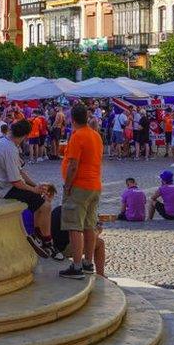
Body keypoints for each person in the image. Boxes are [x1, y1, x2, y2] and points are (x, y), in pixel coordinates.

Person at [0, 119, 58, 258]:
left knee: (40, 201)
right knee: (45, 205)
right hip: (6, 191)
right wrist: (34, 190)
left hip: (4, 187)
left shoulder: (4, 142)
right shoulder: (10, 149)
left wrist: (34, 185)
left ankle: (38, 235)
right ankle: (46, 240)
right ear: (24, 136)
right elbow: (16, 182)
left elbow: (20, 172)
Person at [59, 104, 104, 280]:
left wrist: (68, 185)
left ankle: (76, 266)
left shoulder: (78, 136)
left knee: (74, 227)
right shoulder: (95, 135)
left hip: (79, 186)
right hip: (94, 186)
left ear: (72, 119)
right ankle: (87, 262)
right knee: (89, 226)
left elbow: (73, 165)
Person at [45, 186, 106, 277]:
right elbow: (81, 236)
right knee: (100, 243)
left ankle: (84, 265)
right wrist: (97, 231)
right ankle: (98, 274)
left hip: (55, 247)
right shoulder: (76, 211)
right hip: (63, 249)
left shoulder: (58, 209)